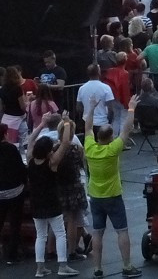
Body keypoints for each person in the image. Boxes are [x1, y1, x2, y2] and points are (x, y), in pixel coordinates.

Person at [82, 93, 141, 278]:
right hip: (113, 195)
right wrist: (131, 107)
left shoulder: (90, 147)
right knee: (121, 230)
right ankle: (127, 265)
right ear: (110, 137)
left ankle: (97, 269)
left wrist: (91, 107)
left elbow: (88, 126)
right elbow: (127, 128)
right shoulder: (113, 149)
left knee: (97, 233)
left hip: (95, 196)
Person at [26, 116, 78, 278]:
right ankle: (63, 265)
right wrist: (67, 122)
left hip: (36, 202)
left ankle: (40, 267)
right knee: (60, 232)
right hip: (51, 201)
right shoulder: (52, 162)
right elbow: (65, 143)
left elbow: (31, 139)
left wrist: (42, 123)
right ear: (49, 151)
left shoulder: (30, 159)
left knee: (40, 235)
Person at [0, 122, 26, 266]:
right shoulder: (11, 149)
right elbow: (20, 169)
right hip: (15, 191)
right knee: (15, 223)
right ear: (5, 134)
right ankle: (12, 254)